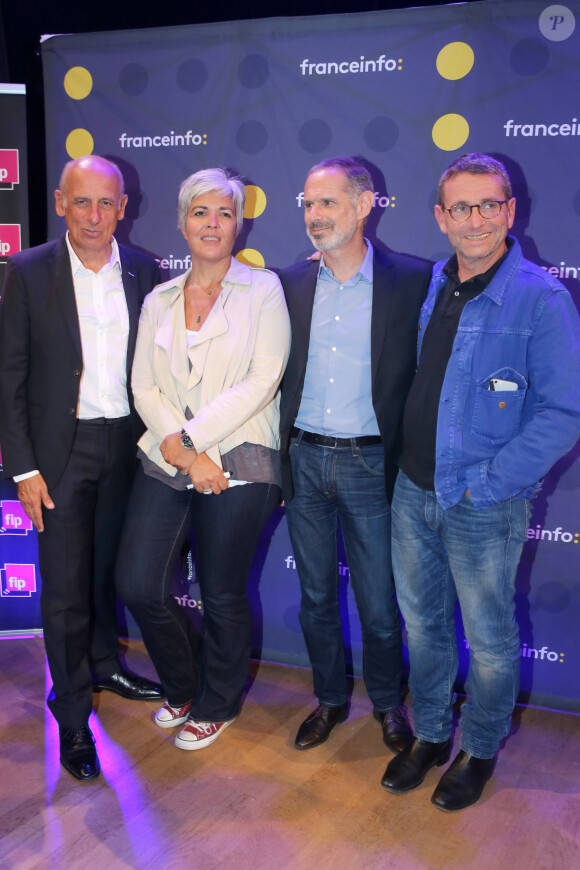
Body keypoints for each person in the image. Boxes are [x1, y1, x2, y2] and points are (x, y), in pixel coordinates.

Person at [381, 153, 580, 811]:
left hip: (481, 502)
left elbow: (564, 412)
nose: (475, 220)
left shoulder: (541, 298)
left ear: (510, 211)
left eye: (488, 205)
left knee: (490, 640)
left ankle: (481, 748)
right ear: (441, 218)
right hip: (413, 490)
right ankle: (434, 733)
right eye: (460, 207)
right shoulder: (437, 281)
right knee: (425, 628)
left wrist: (492, 483)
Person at [0, 155, 163, 782]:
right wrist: (22, 468)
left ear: (123, 207)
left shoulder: (144, 270)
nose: (94, 216)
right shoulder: (28, 269)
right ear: (61, 204)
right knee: (64, 592)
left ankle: (105, 664)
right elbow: (8, 376)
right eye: (82, 202)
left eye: (107, 203)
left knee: (103, 574)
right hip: (57, 456)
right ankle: (71, 716)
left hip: (126, 446)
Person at [116, 167, 290, 751]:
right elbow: (143, 384)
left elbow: (262, 380)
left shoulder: (262, 290)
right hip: (168, 455)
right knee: (138, 583)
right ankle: (184, 685)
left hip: (241, 456)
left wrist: (193, 443)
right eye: (200, 212)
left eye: (223, 213)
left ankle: (217, 703)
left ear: (238, 223)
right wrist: (186, 452)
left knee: (221, 592)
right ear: (182, 221)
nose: (211, 224)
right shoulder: (161, 297)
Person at [278, 156, 432, 752]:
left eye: (329, 203)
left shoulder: (413, 280)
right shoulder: (289, 283)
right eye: (309, 204)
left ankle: (389, 705)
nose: (315, 216)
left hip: (373, 465)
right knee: (315, 596)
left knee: (377, 603)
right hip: (304, 460)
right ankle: (329, 699)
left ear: (365, 206)